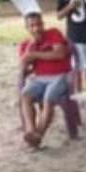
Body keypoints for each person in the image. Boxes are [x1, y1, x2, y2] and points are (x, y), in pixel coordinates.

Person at [18, 11, 73, 148]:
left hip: (60, 75)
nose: (36, 28)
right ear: (27, 28)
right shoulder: (25, 45)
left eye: (39, 24)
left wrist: (35, 54)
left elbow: (60, 54)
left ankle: (38, 135)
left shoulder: (53, 33)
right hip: (38, 78)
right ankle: (31, 130)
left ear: (43, 24)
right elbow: (23, 70)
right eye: (32, 26)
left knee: (48, 99)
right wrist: (31, 48)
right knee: (25, 95)